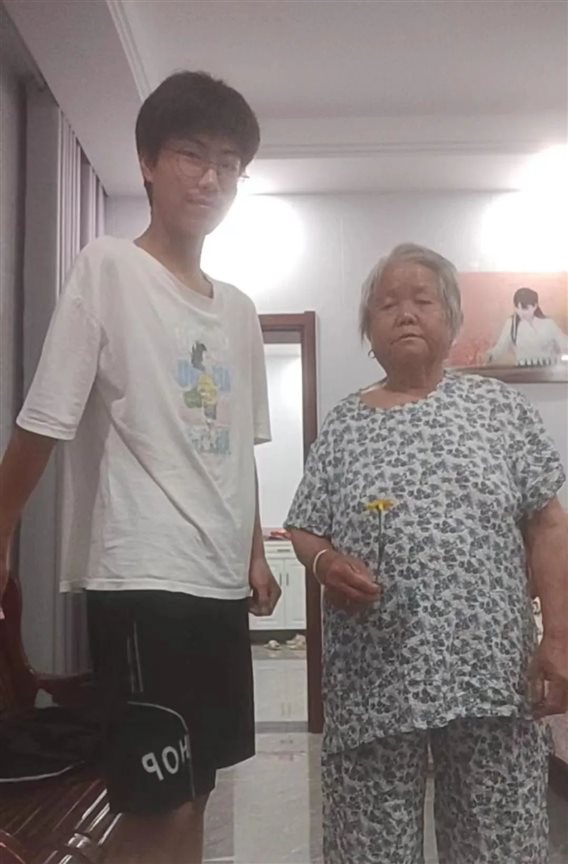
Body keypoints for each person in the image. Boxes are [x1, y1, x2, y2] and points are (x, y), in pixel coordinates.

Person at [0, 71, 281, 864]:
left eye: (228, 163)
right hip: (142, 575)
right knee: (156, 800)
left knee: (197, 787)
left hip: (217, 582)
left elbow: (238, 446)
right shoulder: (107, 268)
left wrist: (255, 552)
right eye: (191, 153)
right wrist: (1, 529)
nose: (210, 177)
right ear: (148, 163)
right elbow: (44, 417)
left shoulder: (239, 310)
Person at [285, 243, 568, 864]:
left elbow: (549, 524)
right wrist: (326, 564)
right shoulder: (344, 425)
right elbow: (305, 527)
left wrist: (558, 639)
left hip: (491, 677)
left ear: (453, 319)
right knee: (370, 849)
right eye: (388, 304)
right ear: (368, 328)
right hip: (372, 683)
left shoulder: (500, 410)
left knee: (499, 847)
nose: (406, 313)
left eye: (423, 300)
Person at [487, 286, 568, 367]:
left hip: (546, 369)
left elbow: (564, 342)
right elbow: (501, 347)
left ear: (535, 306)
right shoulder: (511, 324)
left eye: (524, 308)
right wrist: (489, 356)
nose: (520, 312)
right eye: (517, 308)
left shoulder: (548, 323)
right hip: (521, 370)